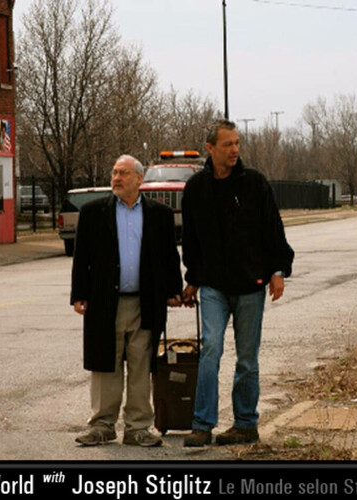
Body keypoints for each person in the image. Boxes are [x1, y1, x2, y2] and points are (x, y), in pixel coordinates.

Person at [180, 119, 295, 447]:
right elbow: (192, 241)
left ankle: (245, 423)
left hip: (250, 286)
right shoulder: (196, 189)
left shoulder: (254, 184)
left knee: (247, 358)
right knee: (210, 350)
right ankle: (202, 424)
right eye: (228, 144)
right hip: (214, 287)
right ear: (211, 148)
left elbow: (273, 230)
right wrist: (193, 278)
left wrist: (278, 271)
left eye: (237, 143)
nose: (234, 150)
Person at [71, 154, 183, 447]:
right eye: (114, 172)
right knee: (104, 365)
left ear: (139, 179)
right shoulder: (94, 213)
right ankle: (102, 425)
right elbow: (81, 258)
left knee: (140, 364)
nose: (116, 179)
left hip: (145, 302)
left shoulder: (158, 214)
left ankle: (137, 427)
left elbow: (170, 256)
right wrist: (79, 294)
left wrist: (174, 289)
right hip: (104, 302)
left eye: (123, 173)